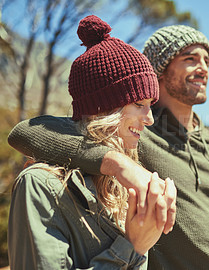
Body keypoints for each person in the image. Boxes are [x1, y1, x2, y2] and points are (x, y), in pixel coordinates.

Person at [8, 24, 209, 269]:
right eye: (190, 58)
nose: (203, 68)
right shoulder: (138, 136)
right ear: (160, 69)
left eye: (207, 60)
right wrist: (118, 163)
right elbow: (28, 132)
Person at [7, 15, 177, 270]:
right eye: (140, 104)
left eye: (151, 105)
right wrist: (132, 247)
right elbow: (22, 132)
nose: (150, 119)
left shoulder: (121, 188)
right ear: (105, 108)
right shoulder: (41, 186)